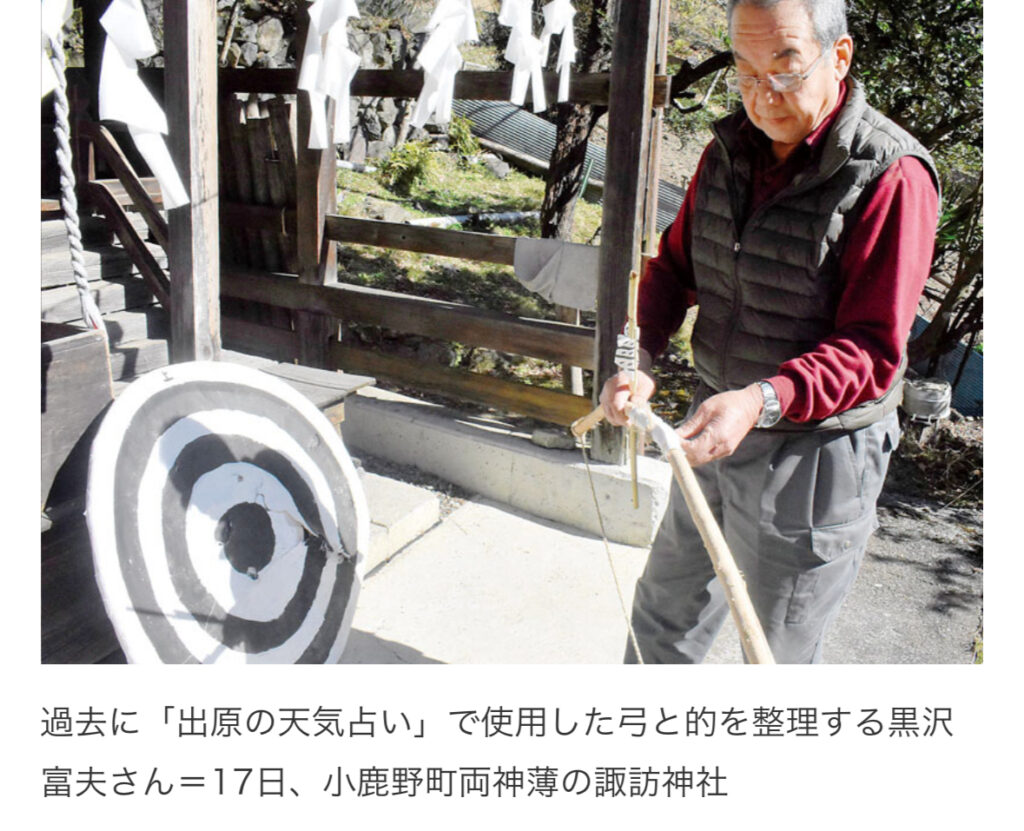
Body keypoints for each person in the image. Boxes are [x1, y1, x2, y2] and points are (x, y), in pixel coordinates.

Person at [599, 0, 940, 663]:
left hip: (814, 456)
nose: (763, 96)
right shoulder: (728, 152)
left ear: (839, 56)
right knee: (662, 616)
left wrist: (761, 400)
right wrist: (636, 355)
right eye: (746, 72)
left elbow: (871, 350)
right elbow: (672, 268)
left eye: (785, 68)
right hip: (714, 421)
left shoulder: (890, 175)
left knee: (774, 653)